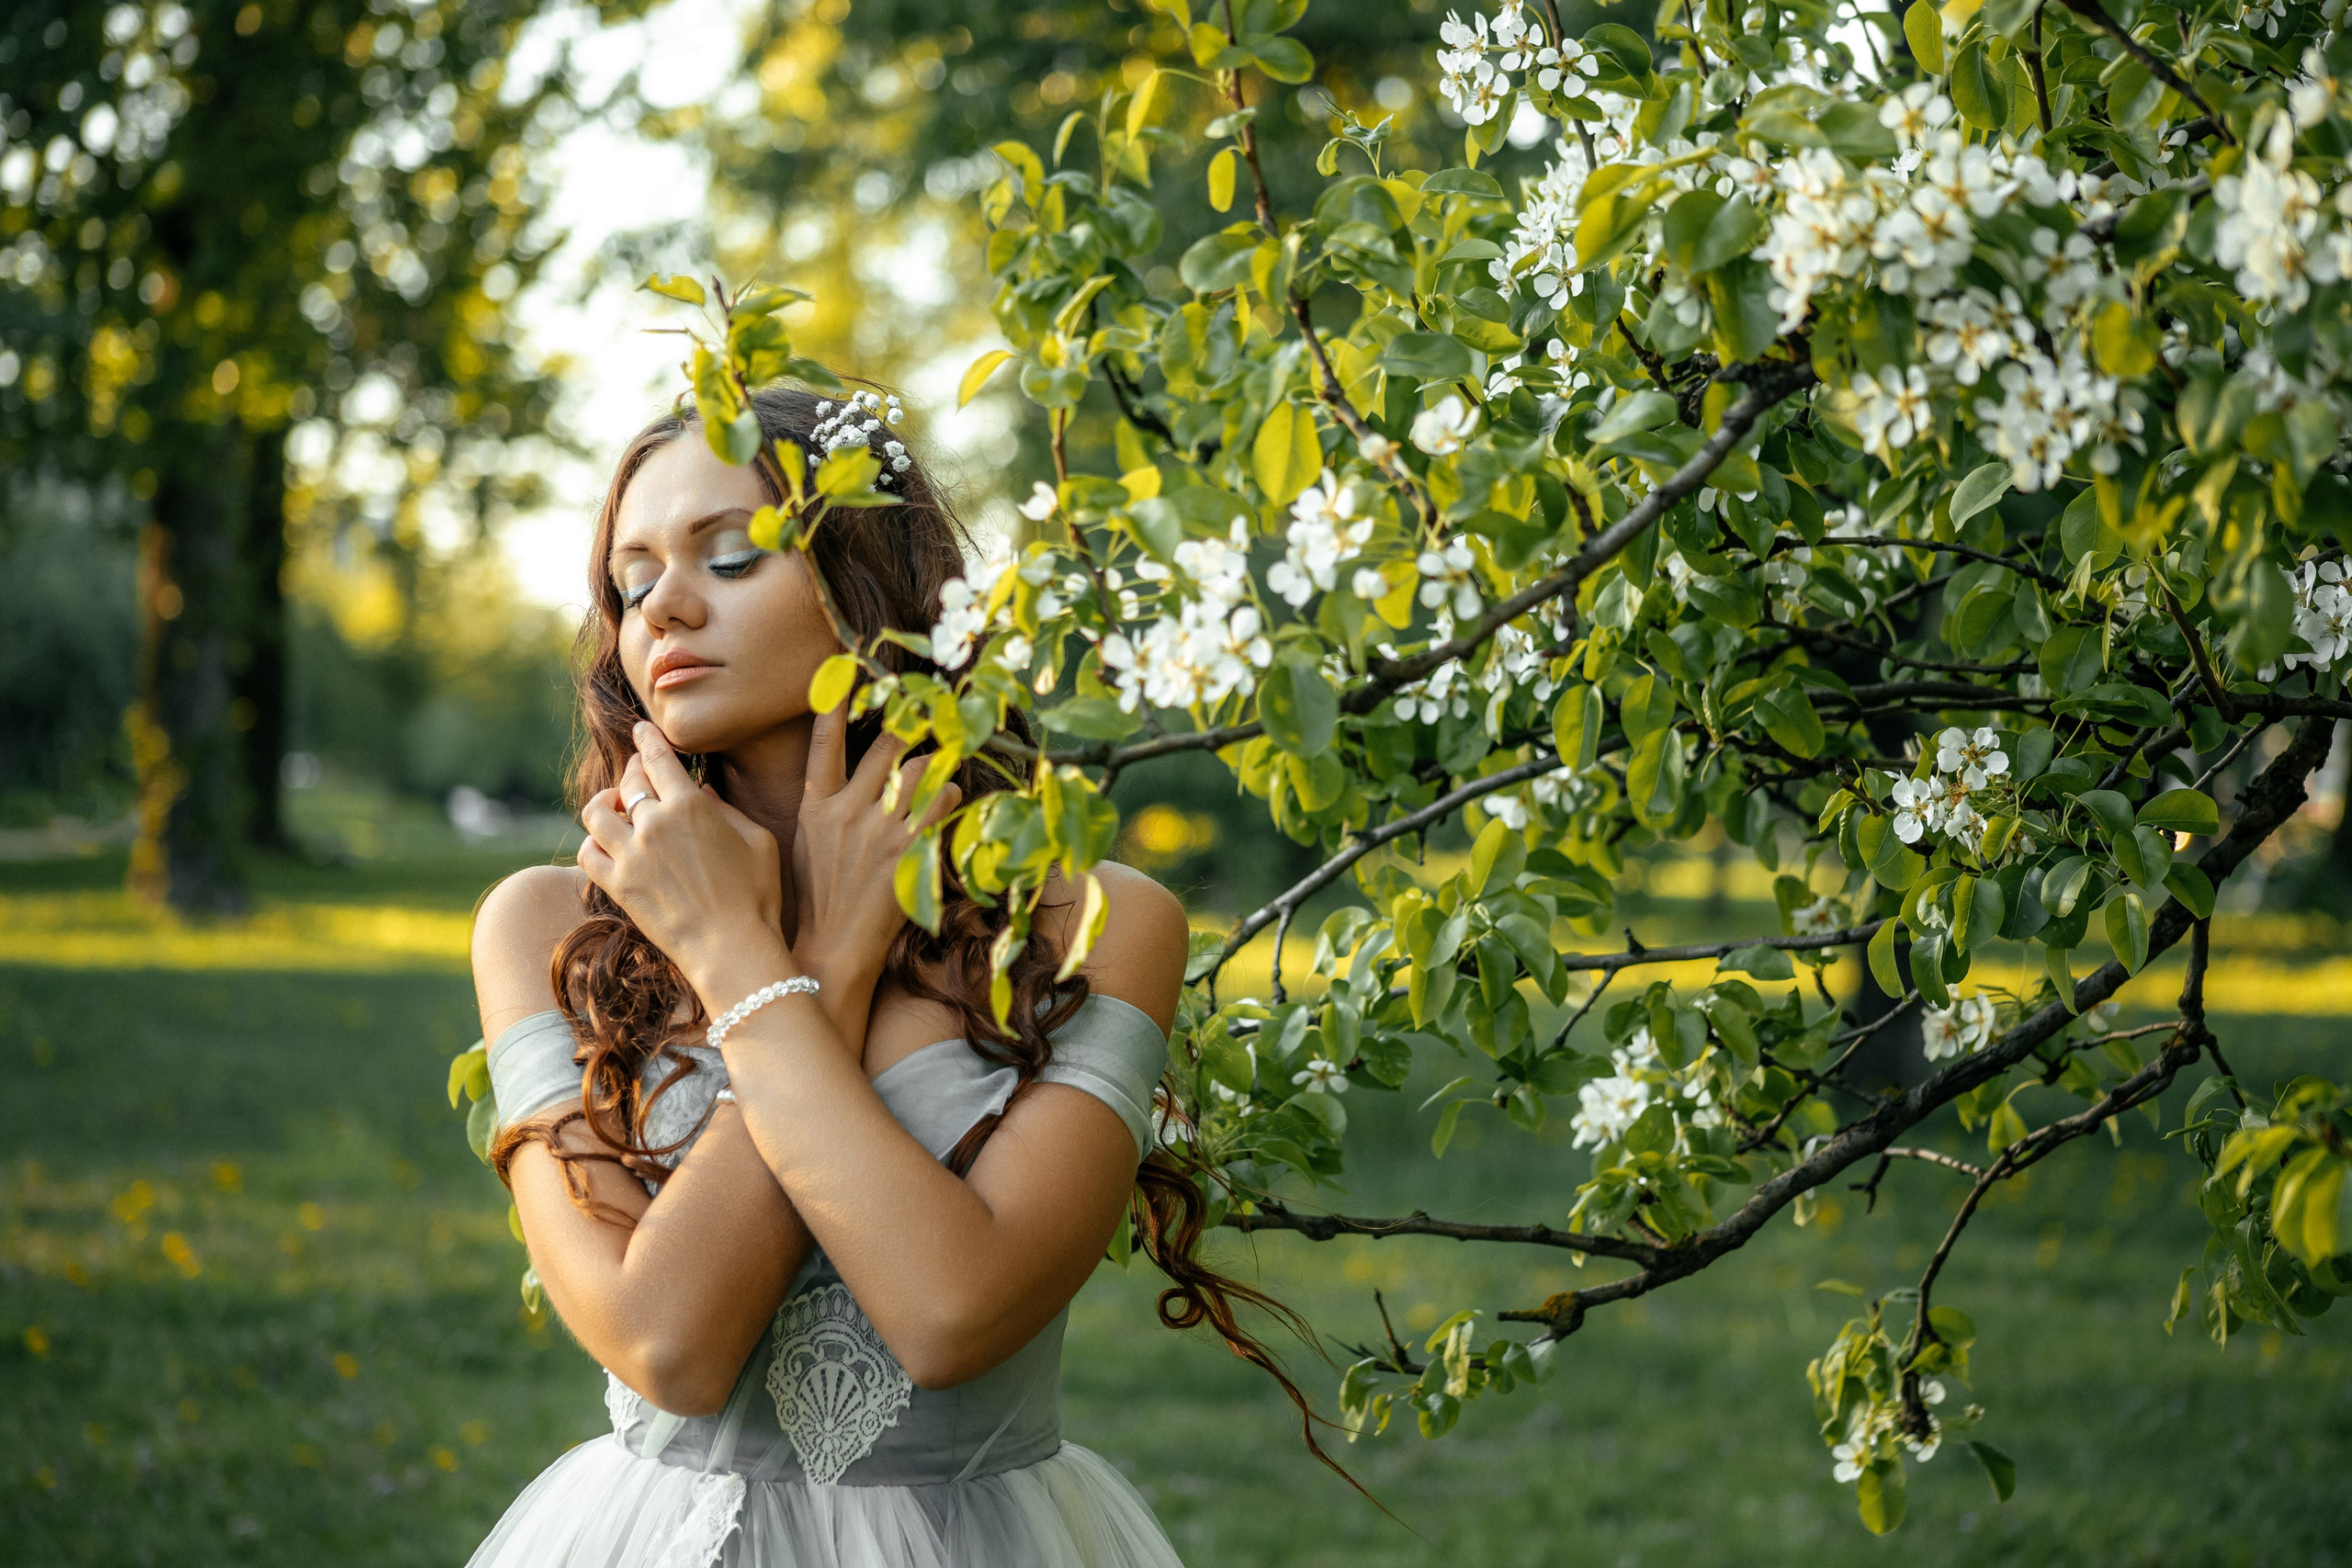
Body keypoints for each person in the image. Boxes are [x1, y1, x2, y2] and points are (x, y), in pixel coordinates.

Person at [461, 384, 1313, 1567]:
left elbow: (952, 1312)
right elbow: (667, 1350)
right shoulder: (547, 931)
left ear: (871, 579)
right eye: (631, 579)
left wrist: (756, 972)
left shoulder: (1090, 925)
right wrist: (808, 963)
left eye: (731, 556)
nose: (665, 608)